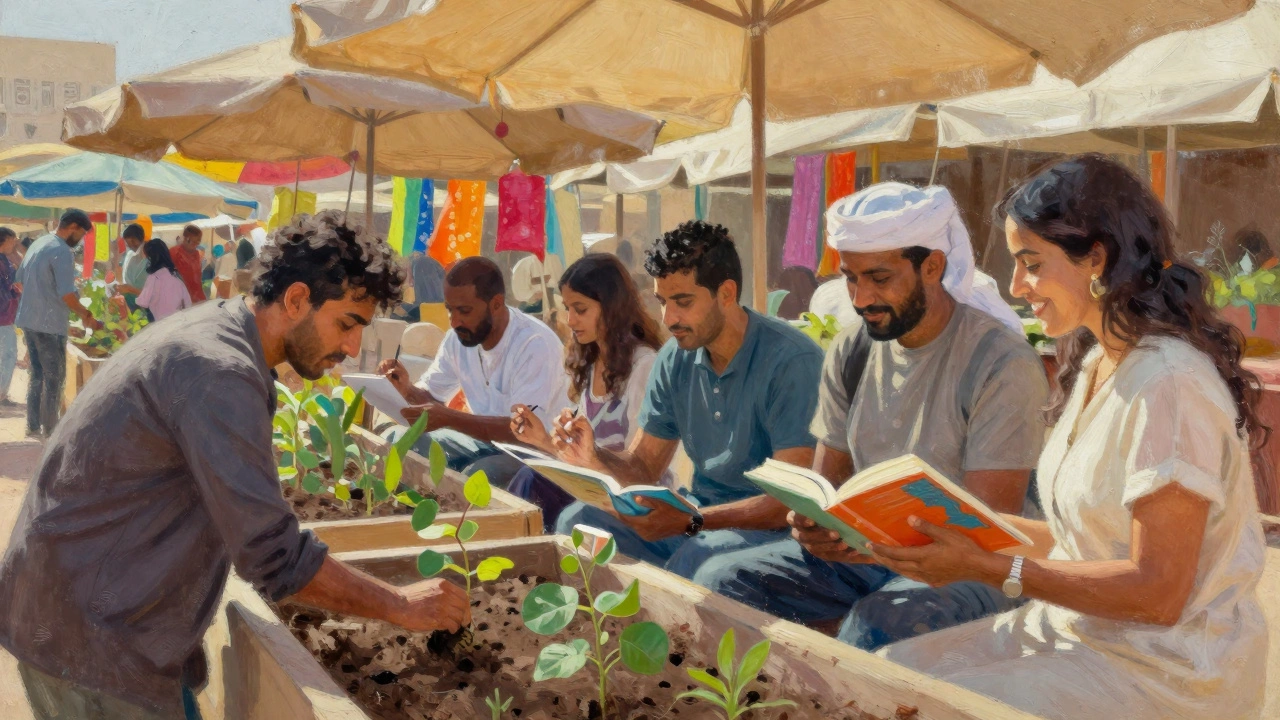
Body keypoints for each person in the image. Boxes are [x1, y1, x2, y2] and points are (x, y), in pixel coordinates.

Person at [0, 210, 469, 720]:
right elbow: (273, 556)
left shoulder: (222, 331)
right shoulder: (219, 372)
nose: (352, 347)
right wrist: (399, 604)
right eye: (347, 324)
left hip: (85, 606)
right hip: (88, 638)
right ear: (295, 300)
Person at [875, 154, 1268, 720]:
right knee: (889, 673)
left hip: (1167, 672)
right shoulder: (1094, 365)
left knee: (926, 707)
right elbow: (1082, 542)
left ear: (1096, 260)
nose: (1016, 286)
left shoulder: (1169, 384)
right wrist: (937, 529)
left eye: (1030, 263)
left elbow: (1157, 592)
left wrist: (985, 567)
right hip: (1079, 633)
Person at [694, 183, 1048, 650]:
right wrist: (814, 526)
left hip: (970, 566)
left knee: (881, 622)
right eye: (851, 278)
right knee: (722, 582)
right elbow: (826, 486)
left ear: (932, 267)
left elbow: (986, 531)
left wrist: (871, 547)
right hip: (870, 555)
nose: (861, 298)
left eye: (879, 278)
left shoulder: (1000, 362)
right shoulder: (852, 350)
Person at [551, 221, 825, 579]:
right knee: (578, 521)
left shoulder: (792, 360)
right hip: (699, 519)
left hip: (771, 535)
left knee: (697, 562)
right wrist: (592, 455)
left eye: (683, 302)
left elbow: (792, 502)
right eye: (663, 302)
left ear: (726, 294)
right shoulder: (674, 357)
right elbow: (644, 467)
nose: (669, 318)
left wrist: (693, 521)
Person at [378, 257, 571, 488]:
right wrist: (405, 389)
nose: (454, 321)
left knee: (475, 477)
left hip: (536, 455)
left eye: (464, 311)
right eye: (450, 310)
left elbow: (523, 431)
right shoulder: (458, 338)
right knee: (396, 440)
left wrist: (449, 418)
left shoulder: (534, 344)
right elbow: (433, 397)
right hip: (482, 444)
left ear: (496, 304)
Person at [506, 254, 666, 531]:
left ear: (611, 308)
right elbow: (582, 457)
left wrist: (584, 457)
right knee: (529, 478)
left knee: (542, 492)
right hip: (594, 486)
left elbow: (638, 470)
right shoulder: (592, 364)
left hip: (631, 498)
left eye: (580, 309)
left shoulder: (645, 365)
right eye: (567, 308)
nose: (569, 320)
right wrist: (542, 439)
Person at [12, 209, 102, 438]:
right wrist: (85, 314)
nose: (80, 240)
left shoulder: (38, 243)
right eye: (81, 234)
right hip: (48, 326)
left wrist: (39, 301)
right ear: (72, 227)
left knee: (37, 375)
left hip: (29, 321)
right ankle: (51, 430)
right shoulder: (61, 251)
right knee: (54, 379)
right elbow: (67, 295)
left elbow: (19, 282)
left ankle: (33, 425)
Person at [135, 239, 193, 322]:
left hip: (160, 326)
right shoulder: (177, 279)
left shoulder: (153, 278)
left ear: (151, 258)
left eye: (147, 257)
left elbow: (143, 302)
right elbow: (188, 305)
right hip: (178, 324)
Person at [0, 227, 19, 406]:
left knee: (7, 355)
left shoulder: (5, 260)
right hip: (2, 316)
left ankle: (2, 393)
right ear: (4, 241)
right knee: (8, 354)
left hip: (5, 317)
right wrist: (14, 295)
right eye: (12, 240)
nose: (14, 244)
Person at [400, 251, 446, 321]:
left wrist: (401, 309)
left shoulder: (421, 264)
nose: (411, 284)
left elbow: (427, 307)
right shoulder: (424, 264)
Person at [115, 223, 150, 311]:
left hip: (145, 303)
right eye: (128, 243)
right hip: (133, 299)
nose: (130, 245)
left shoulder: (149, 256)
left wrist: (130, 289)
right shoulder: (131, 254)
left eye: (132, 242)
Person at [170, 224, 207, 304]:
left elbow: (197, 279)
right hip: (181, 300)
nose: (196, 245)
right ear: (186, 239)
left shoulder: (196, 254)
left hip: (197, 298)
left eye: (198, 242)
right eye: (193, 242)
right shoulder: (174, 253)